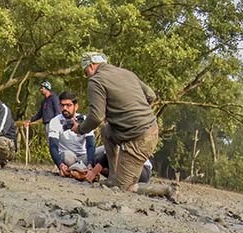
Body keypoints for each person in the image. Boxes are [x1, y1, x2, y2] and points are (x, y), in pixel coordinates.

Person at [71, 51, 171, 196]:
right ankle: (112, 177)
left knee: (125, 189)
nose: (87, 76)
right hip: (150, 128)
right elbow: (151, 95)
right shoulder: (127, 73)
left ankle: (166, 190)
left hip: (140, 138)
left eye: (86, 72)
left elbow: (96, 117)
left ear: (91, 66)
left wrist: (79, 129)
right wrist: (133, 113)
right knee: (106, 131)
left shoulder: (96, 80)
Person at [47, 91, 96, 177]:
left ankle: (80, 171)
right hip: (68, 157)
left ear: (76, 106)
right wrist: (60, 164)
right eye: (62, 105)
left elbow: (90, 145)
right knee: (67, 155)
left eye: (68, 105)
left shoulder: (85, 120)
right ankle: (80, 171)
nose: (65, 108)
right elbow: (53, 146)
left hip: (84, 157)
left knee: (103, 151)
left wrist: (90, 163)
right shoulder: (55, 121)